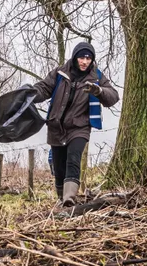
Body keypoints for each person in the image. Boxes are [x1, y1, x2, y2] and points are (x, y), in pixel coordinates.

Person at [33, 42, 119, 206]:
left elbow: (113, 96)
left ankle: (69, 199)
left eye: (88, 58)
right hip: (56, 126)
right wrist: (30, 93)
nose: (85, 62)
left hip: (80, 127)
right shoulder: (60, 73)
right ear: (74, 58)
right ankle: (61, 200)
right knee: (59, 166)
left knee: (73, 158)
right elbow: (44, 88)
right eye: (82, 57)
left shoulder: (97, 76)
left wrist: (98, 91)